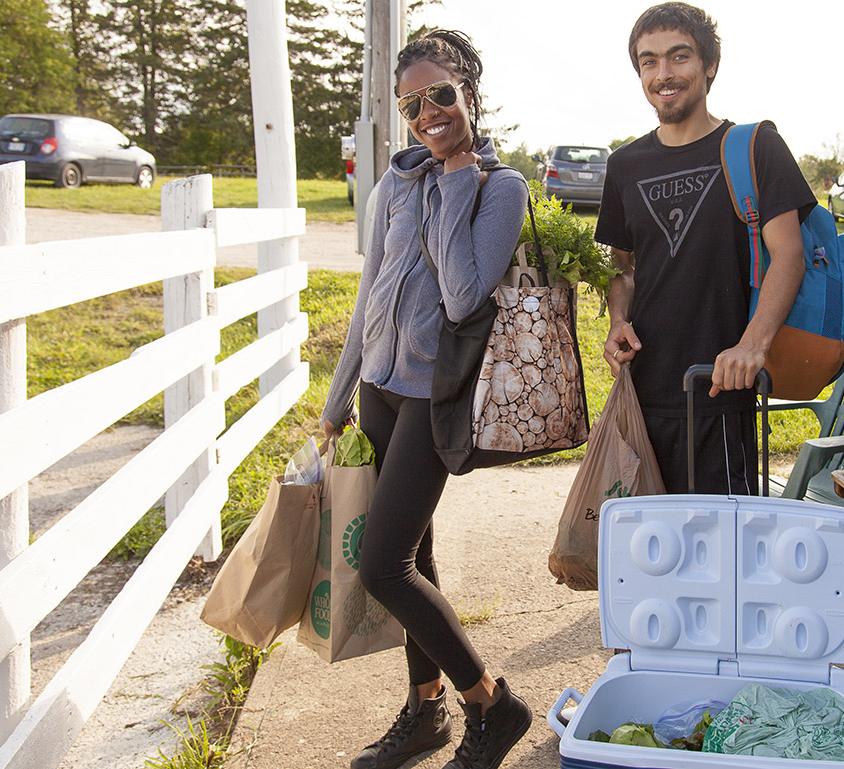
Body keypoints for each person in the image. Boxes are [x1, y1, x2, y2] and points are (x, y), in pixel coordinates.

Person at [319, 29, 533, 769]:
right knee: (419, 557)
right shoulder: (388, 186)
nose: (428, 113)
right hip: (378, 389)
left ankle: (492, 703)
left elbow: (464, 293)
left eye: (440, 94)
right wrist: (338, 393)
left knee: (384, 565)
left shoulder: (499, 187)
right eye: (413, 104)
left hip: (434, 395)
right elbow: (368, 297)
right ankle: (426, 709)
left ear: (470, 89)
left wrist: (453, 185)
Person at [597, 2, 814, 494]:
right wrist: (616, 322)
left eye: (679, 57)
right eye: (648, 61)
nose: (663, 74)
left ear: (709, 65)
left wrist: (751, 346)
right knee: (645, 554)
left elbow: (790, 255)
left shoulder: (755, 147)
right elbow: (623, 267)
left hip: (721, 386)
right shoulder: (624, 165)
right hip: (643, 389)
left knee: (720, 554)